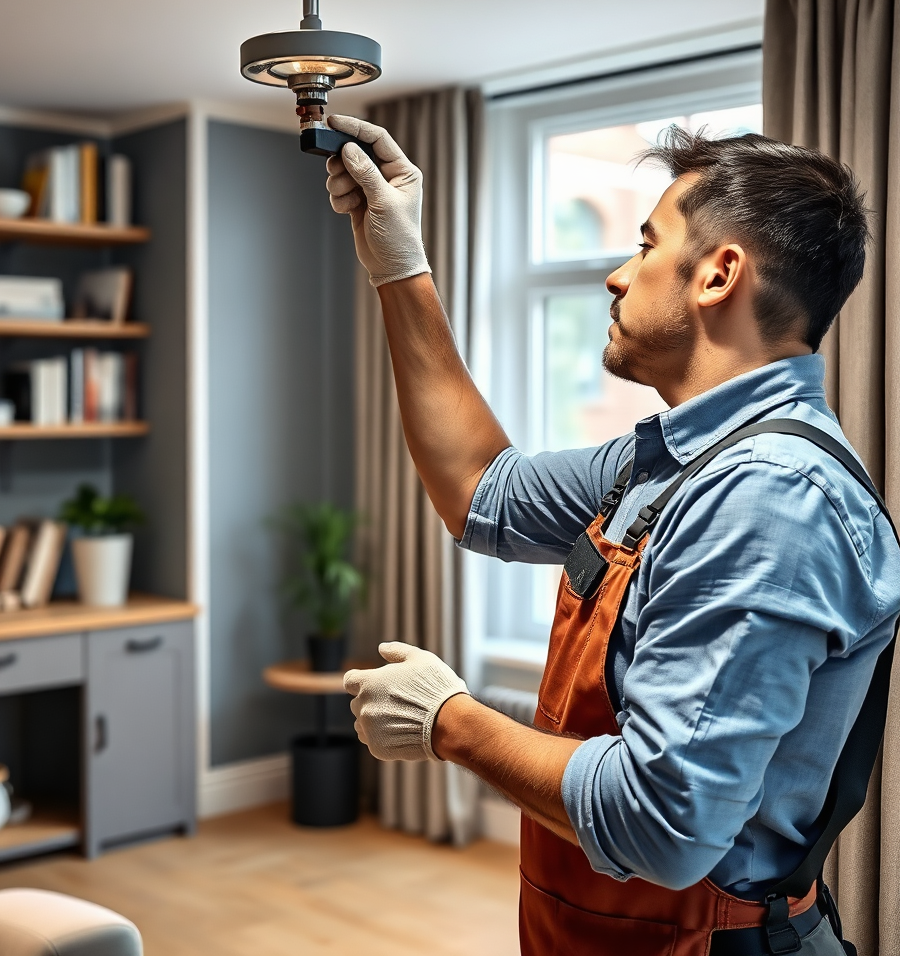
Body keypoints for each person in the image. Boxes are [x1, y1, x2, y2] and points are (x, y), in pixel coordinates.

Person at [328, 112, 900, 956]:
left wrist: (451, 720)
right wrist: (399, 268)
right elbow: (480, 489)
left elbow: (666, 823)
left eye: (644, 245)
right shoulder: (676, 462)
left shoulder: (765, 496)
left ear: (717, 276)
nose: (616, 276)